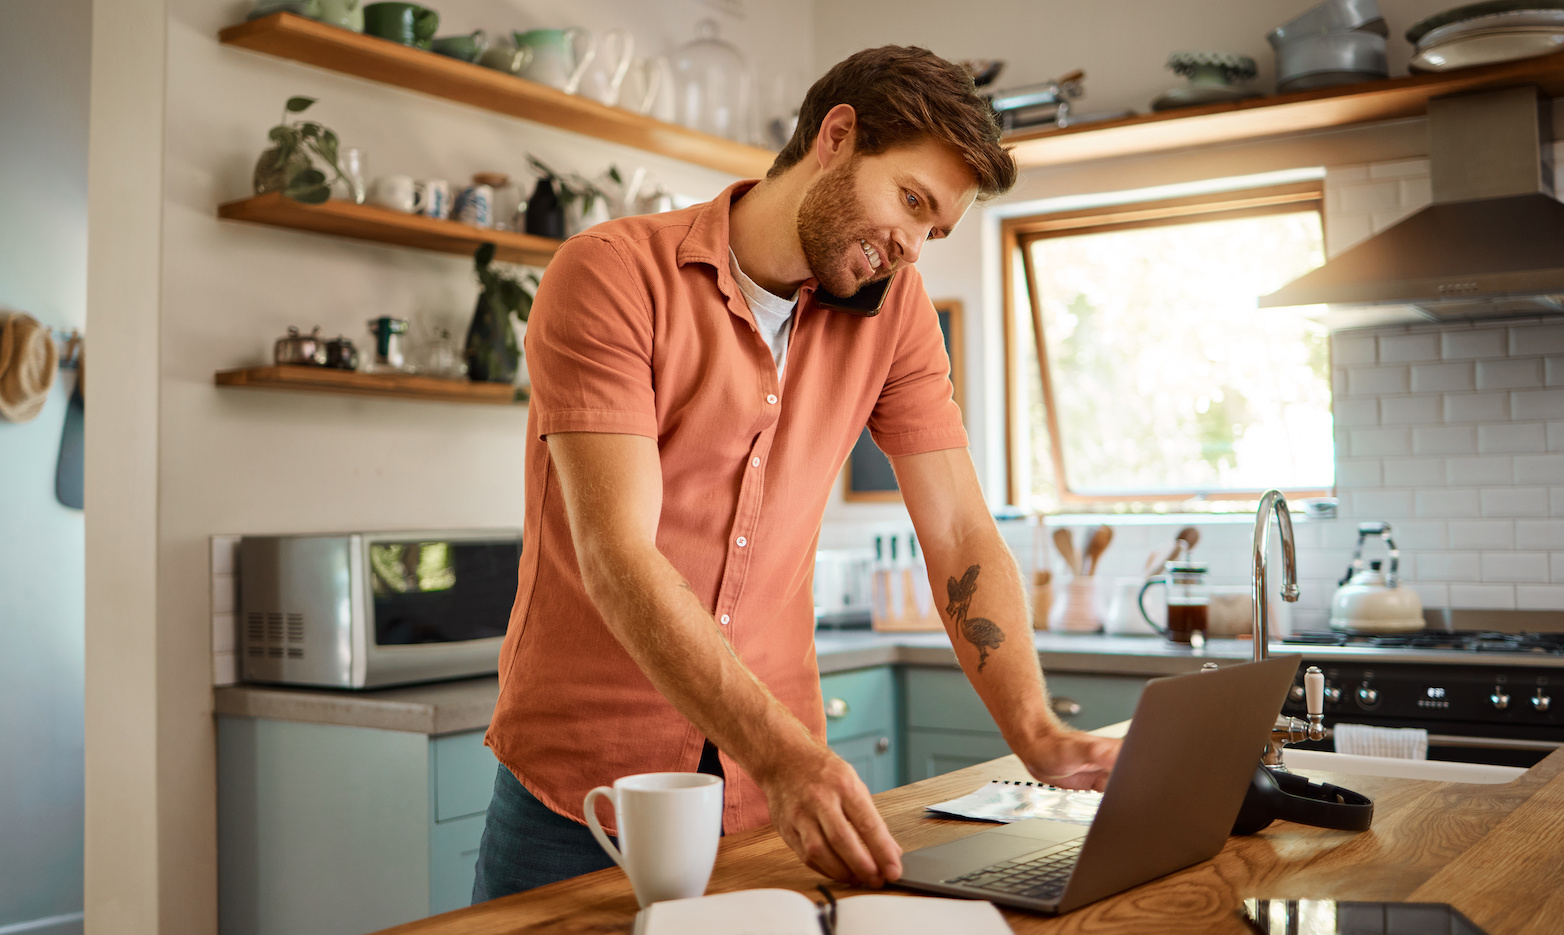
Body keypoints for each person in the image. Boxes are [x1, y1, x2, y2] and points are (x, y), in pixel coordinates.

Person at [472, 44, 1121, 903]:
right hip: (585, 796)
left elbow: (960, 531)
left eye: (935, 230)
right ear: (837, 135)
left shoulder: (895, 316)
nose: (912, 248)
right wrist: (787, 755)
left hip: (770, 803)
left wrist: (1038, 734)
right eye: (912, 201)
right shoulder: (612, 274)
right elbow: (617, 554)